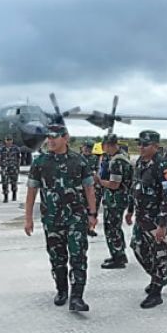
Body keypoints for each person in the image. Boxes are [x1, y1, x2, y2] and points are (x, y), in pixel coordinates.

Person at [24, 124, 98, 312]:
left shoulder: (79, 161)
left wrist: (92, 214)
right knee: (57, 258)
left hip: (76, 218)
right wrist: (28, 218)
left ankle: (77, 297)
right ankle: (62, 290)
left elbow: (89, 189)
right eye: (48, 137)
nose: (50, 140)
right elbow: (32, 190)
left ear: (66, 138)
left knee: (78, 256)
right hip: (51, 219)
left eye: (55, 137)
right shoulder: (40, 162)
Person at [125, 130, 167, 308]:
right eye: (139, 143)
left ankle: (156, 291)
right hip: (141, 219)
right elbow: (135, 188)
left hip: (156, 221)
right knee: (137, 247)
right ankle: (158, 277)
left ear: (155, 146)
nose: (141, 147)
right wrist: (130, 210)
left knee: (160, 254)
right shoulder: (140, 163)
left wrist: (163, 224)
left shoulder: (163, 166)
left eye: (145, 144)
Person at [96, 134, 133, 269]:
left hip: (115, 200)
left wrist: (99, 181)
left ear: (108, 145)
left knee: (112, 228)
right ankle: (119, 254)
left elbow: (114, 184)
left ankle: (118, 256)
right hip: (119, 198)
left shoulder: (117, 161)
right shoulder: (122, 156)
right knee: (115, 227)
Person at [0, 136, 23, 203]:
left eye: (10, 140)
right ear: (5, 141)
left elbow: (19, 158)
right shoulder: (2, 149)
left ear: (12, 140)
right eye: (7, 140)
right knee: (4, 182)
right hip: (4, 167)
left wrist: (18, 167)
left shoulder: (16, 148)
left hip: (13, 167)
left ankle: (14, 194)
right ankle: (5, 197)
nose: (9, 141)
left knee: (14, 182)